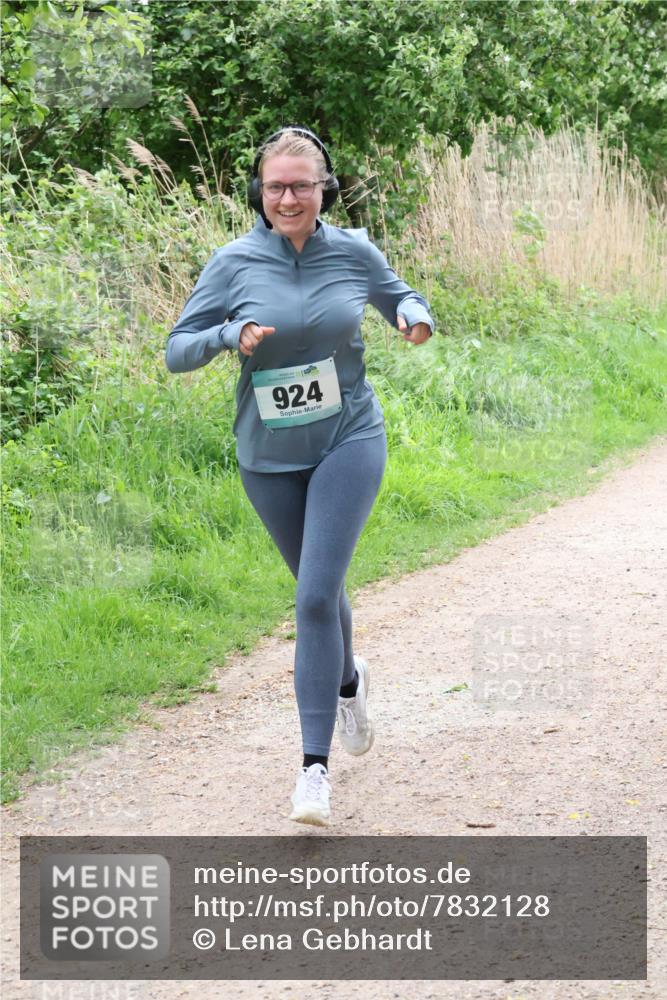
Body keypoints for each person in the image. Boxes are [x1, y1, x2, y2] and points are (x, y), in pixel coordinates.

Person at [165, 125, 434, 826]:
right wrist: (230, 335)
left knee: (314, 597)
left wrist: (412, 316)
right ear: (259, 191)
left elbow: (397, 294)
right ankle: (346, 681)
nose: (288, 198)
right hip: (268, 455)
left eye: (302, 186)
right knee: (319, 589)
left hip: (349, 437)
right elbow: (176, 350)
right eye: (276, 186)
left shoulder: (352, 250)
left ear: (324, 189)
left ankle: (312, 771)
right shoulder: (231, 263)